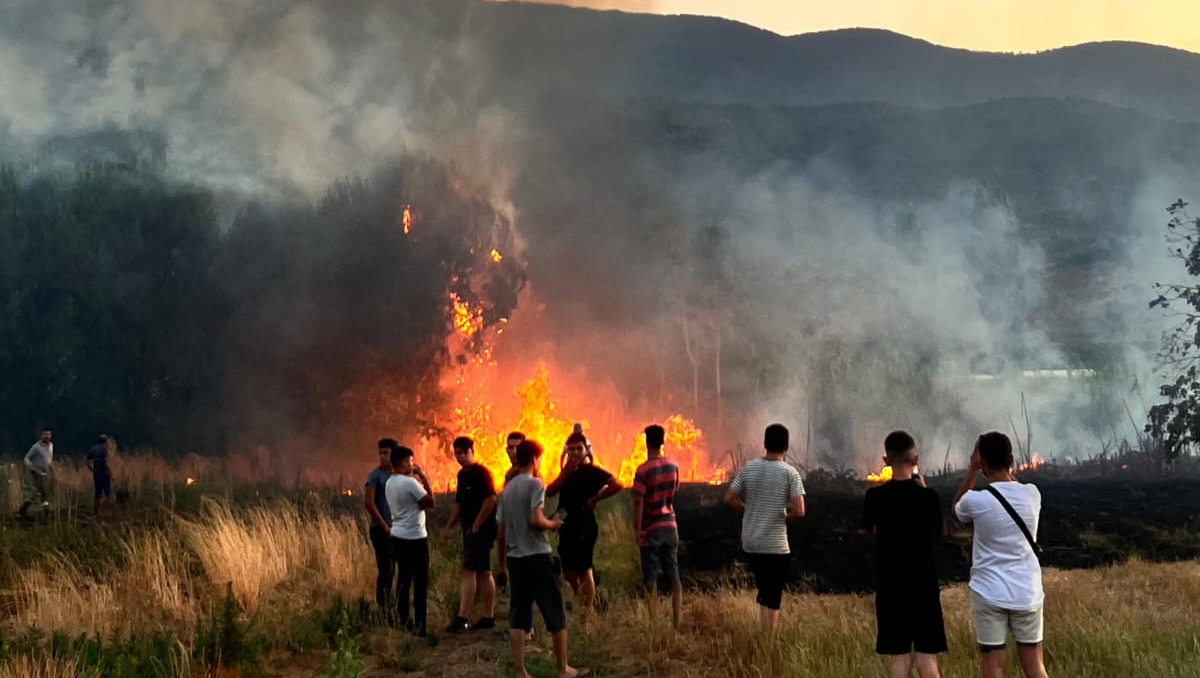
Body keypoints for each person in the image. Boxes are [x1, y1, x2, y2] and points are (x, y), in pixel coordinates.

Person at [953, 432, 1048, 678]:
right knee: (1035, 666)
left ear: (981, 461)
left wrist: (973, 471)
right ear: (1012, 459)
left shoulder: (976, 500)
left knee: (993, 667)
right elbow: (1012, 486)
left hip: (989, 591)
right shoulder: (1033, 494)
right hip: (1027, 592)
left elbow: (957, 509)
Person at [496, 439, 589, 678]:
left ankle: (520, 672)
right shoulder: (535, 484)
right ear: (535, 459)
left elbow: (502, 528)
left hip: (515, 557)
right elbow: (536, 520)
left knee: (518, 614)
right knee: (555, 613)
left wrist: (502, 562)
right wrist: (552, 523)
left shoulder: (507, 489)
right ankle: (563, 669)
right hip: (537, 557)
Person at [861, 430, 947, 678]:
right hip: (924, 585)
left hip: (890, 586)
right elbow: (942, 532)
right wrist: (925, 490)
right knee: (926, 658)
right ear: (916, 459)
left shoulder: (874, 497)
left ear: (886, 460)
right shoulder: (928, 497)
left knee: (899, 658)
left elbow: (868, 531)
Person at [723, 423, 805, 633]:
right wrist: (782, 518)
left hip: (751, 542)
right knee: (774, 594)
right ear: (786, 446)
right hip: (775, 545)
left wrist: (748, 511)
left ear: (765, 443)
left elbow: (729, 498)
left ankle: (763, 632)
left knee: (764, 590)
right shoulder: (790, 473)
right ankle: (769, 642)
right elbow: (800, 511)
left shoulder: (749, 468)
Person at [546, 431, 623, 619]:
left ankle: (587, 612)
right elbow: (550, 491)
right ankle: (583, 598)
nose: (575, 453)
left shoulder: (592, 471)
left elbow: (617, 484)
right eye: (571, 449)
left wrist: (596, 498)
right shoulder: (565, 472)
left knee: (585, 568)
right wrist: (564, 473)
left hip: (585, 526)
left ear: (585, 450)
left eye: (578, 449)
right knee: (568, 570)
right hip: (566, 526)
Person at [441, 436, 499, 633]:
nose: (461, 457)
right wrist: (449, 526)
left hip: (480, 531)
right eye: (458, 453)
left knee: (469, 572)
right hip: (469, 529)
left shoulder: (481, 473)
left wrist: (477, 523)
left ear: (472, 452)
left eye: (465, 452)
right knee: (484, 572)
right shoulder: (462, 475)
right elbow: (458, 503)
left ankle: (462, 617)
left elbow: (491, 499)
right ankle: (488, 617)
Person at [632, 424, 683, 629]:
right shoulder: (673, 466)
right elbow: (675, 492)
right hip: (671, 527)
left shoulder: (643, 470)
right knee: (673, 575)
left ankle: (653, 624)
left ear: (646, 442)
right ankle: (677, 622)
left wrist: (637, 531)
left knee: (650, 578)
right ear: (663, 441)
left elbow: (638, 503)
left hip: (651, 529)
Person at [386, 445, 434, 636]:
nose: (413, 466)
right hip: (415, 538)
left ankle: (404, 619)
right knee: (421, 582)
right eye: (411, 462)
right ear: (404, 462)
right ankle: (421, 625)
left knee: (404, 580)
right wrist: (423, 477)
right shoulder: (409, 483)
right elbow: (430, 502)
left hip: (397, 536)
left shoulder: (390, 482)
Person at [364, 438, 397, 617]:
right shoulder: (375, 476)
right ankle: (383, 610)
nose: (382, 457)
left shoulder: (399, 475)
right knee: (386, 569)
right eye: (380, 453)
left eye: (386, 453)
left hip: (398, 529)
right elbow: (369, 504)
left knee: (397, 569)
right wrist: (384, 527)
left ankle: (396, 606)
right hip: (380, 530)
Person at [19, 428, 54, 522]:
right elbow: (26, 458)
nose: (47, 436)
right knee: (43, 492)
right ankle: (46, 512)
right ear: (41, 435)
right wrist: (31, 467)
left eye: (49, 434)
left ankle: (24, 508)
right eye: (45, 434)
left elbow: (49, 460)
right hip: (37, 472)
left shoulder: (51, 445)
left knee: (37, 493)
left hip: (46, 473)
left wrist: (53, 472)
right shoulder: (36, 447)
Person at [86, 434, 114, 518]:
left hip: (96, 473)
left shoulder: (93, 448)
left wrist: (92, 469)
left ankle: (96, 513)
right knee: (107, 493)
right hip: (104, 473)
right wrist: (110, 472)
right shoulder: (105, 449)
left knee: (97, 493)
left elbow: (87, 461)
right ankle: (107, 512)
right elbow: (105, 462)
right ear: (105, 441)